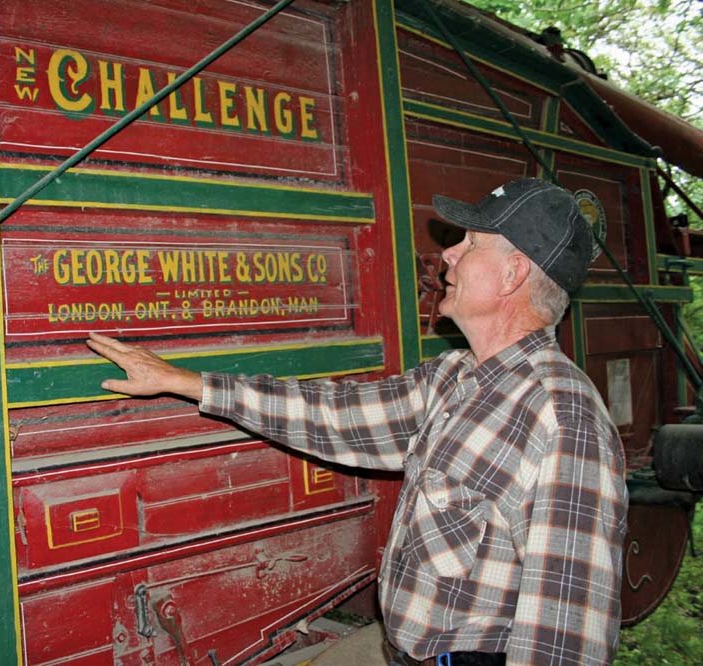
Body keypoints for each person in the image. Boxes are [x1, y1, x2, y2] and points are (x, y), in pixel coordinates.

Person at [87, 178, 628, 666]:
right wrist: (187, 382)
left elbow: (567, 634)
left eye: (470, 244)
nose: (448, 254)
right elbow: (333, 415)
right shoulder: (455, 378)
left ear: (513, 274)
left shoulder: (563, 419)